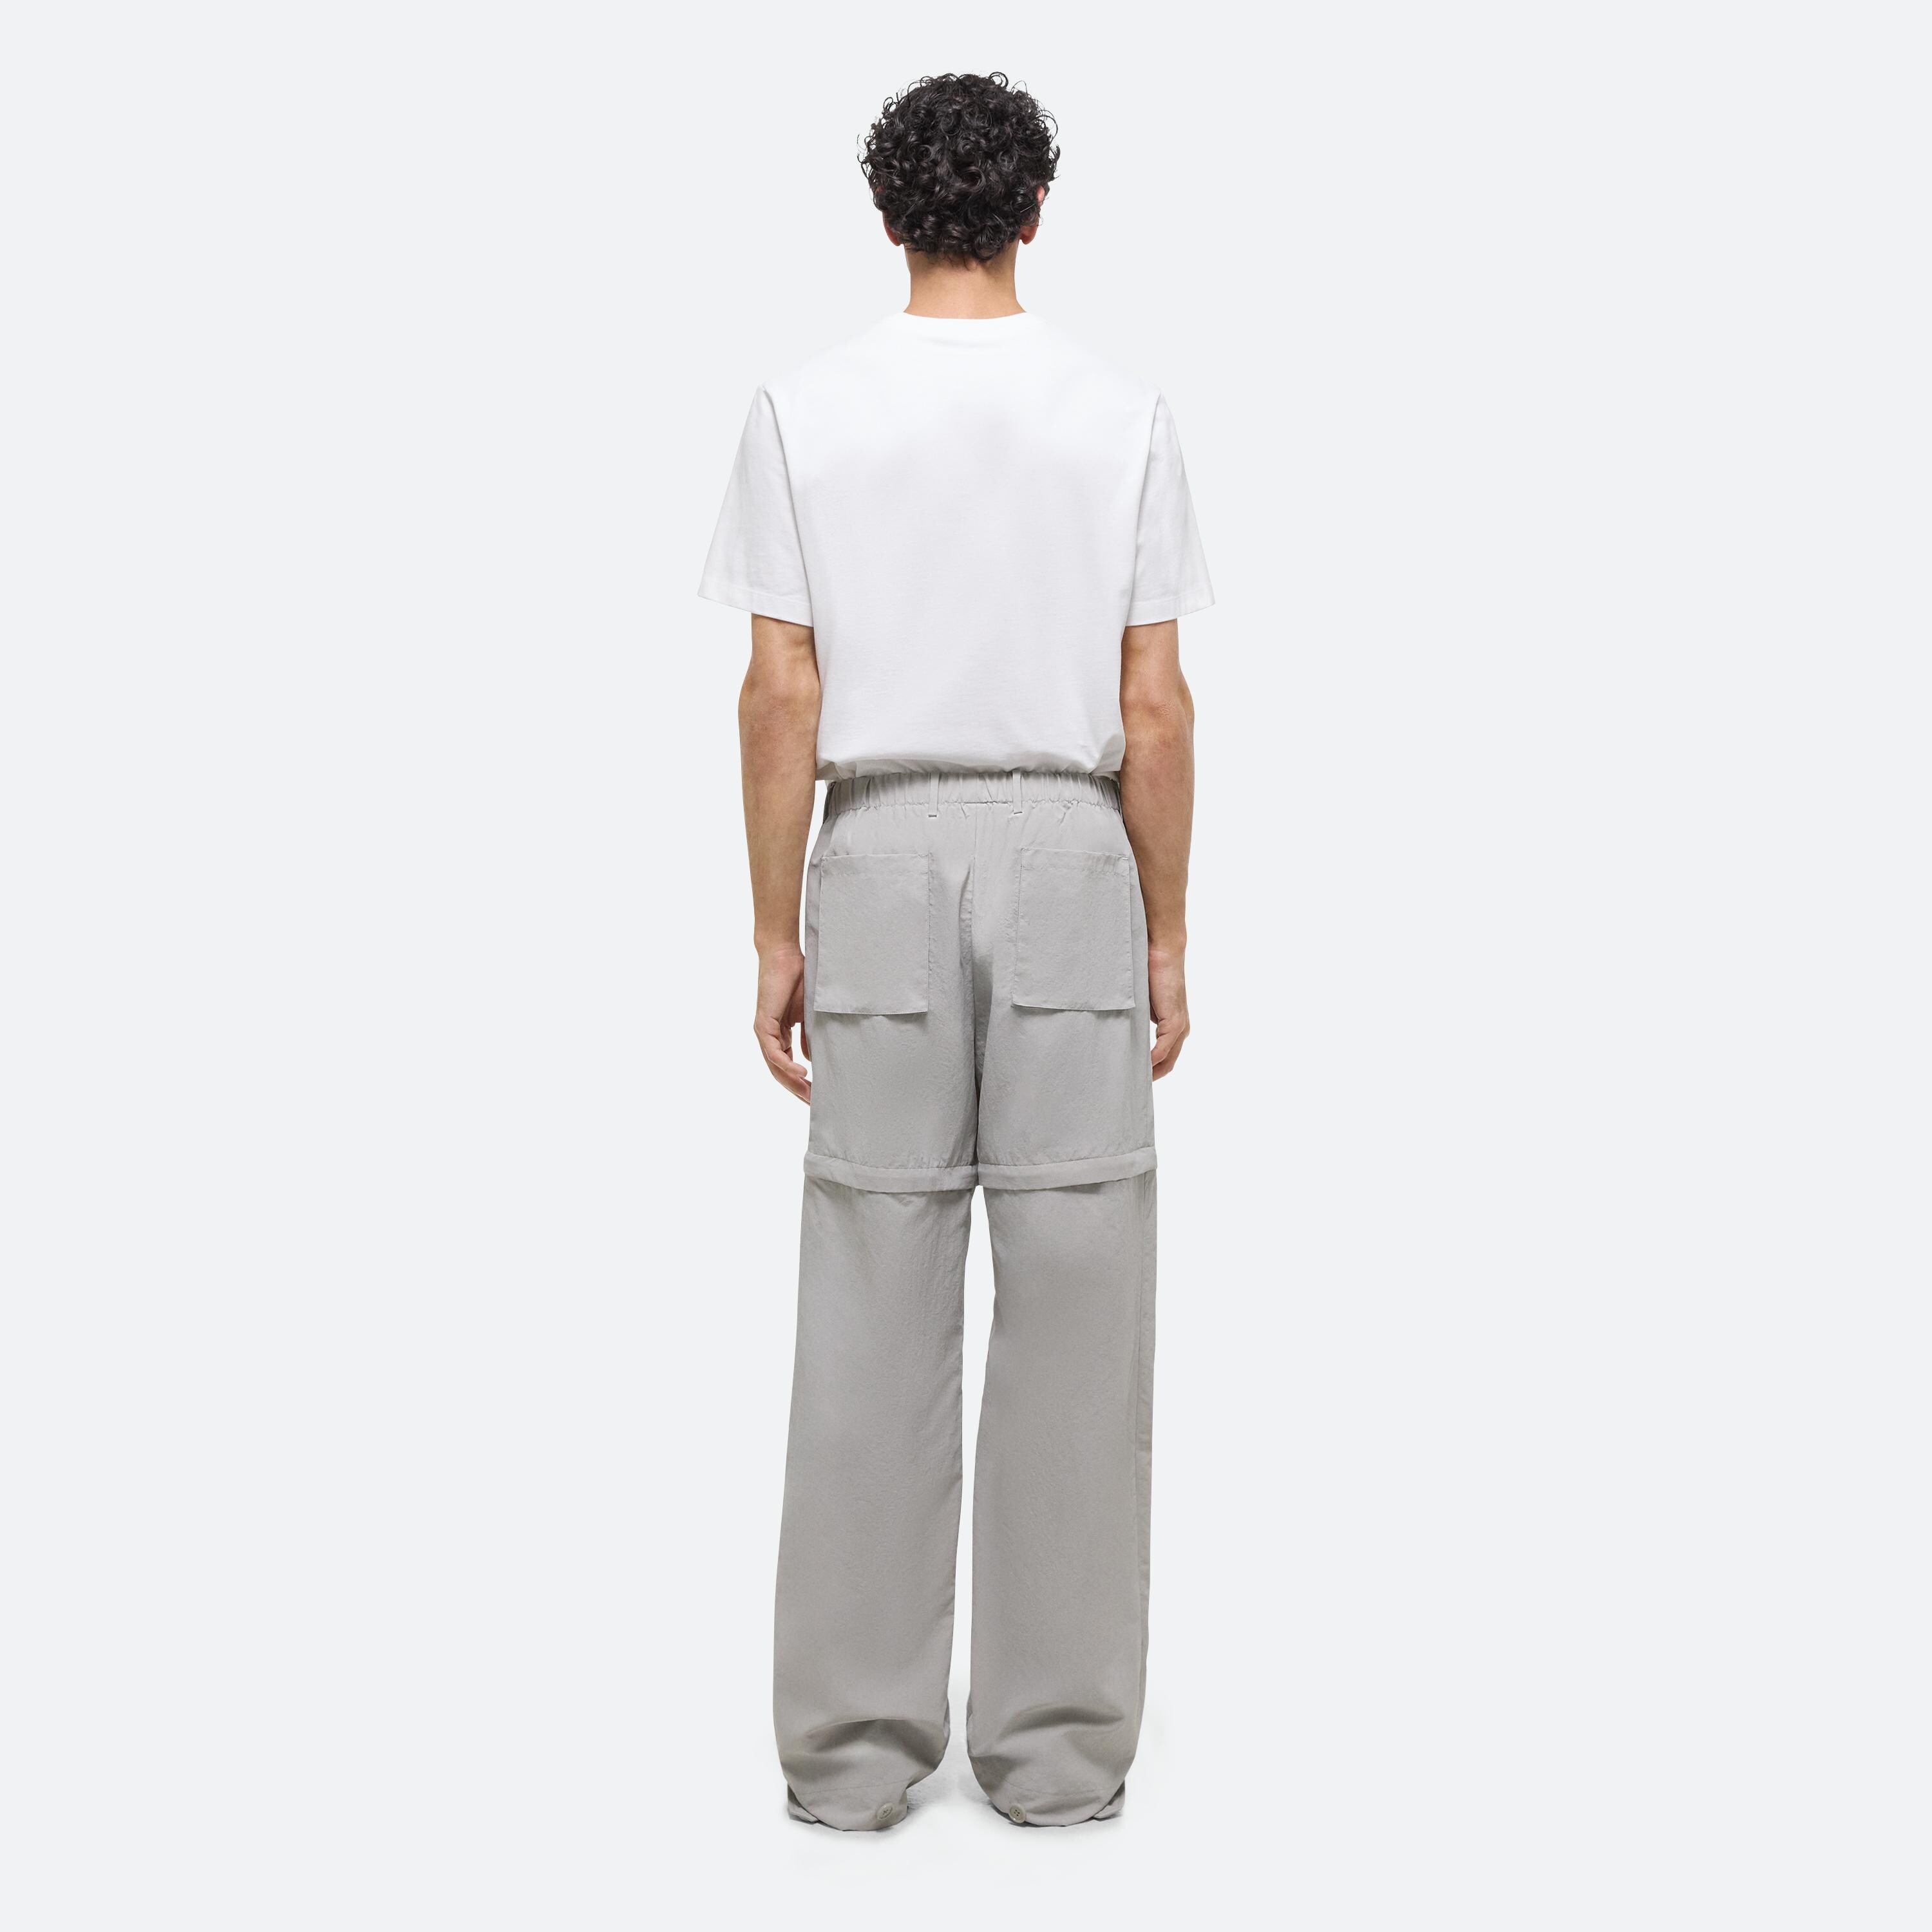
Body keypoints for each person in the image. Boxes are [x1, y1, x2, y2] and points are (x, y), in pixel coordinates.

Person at [699, 71, 1211, 1830]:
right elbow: (1155, 705)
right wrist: (1166, 928)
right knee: (1079, 1298)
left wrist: (776, 927)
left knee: (869, 1295)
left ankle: (850, 1759)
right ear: (1036, 212)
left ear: (887, 213)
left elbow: (780, 692)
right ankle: (1059, 1757)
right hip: (1071, 851)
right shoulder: (1121, 415)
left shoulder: (803, 411)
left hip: (881, 847)